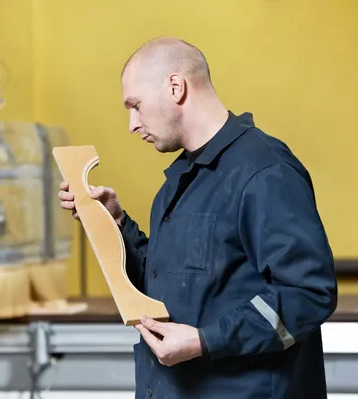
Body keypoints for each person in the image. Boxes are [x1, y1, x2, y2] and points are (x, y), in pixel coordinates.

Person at [58, 37, 338, 398]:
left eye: (136, 105)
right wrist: (116, 224)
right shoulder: (178, 185)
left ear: (175, 87)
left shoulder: (265, 171)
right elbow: (167, 289)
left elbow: (308, 293)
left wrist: (205, 341)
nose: (131, 123)